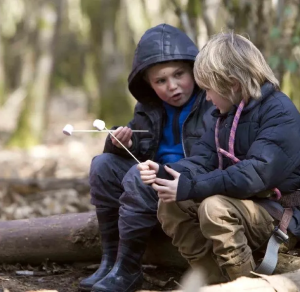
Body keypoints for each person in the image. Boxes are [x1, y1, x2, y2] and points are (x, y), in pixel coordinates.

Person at [138, 32, 300, 282]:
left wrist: (190, 186)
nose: (208, 99)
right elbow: (202, 160)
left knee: (215, 207)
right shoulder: (221, 116)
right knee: (171, 204)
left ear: (232, 83)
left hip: (282, 216)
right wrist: (164, 172)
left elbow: (253, 175)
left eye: (209, 90)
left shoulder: (280, 114)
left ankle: (243, 284)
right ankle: (212, 279)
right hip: (245, 207)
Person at [79, 24, 217, 292]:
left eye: (179, 74)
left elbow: (210, 158)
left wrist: (163, 170)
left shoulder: (212, 102)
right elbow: (139, 150)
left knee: (141, 176)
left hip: (191, 185)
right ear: (149, 84)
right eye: (160, 81)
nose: (172, 86)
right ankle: (111, 261)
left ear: (194, 70)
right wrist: (121, 144)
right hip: (155, 185)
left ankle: (129, 269)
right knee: (103, 165)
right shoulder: (149, 107)